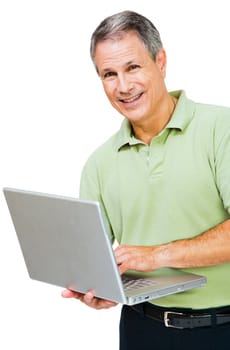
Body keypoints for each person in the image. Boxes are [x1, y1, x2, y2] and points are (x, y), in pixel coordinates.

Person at [62, 10, 230, 349]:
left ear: (161, 61)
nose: (123, 87)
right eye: (109, 74)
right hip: (141, 329)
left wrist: (155, 256)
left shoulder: (220, 129)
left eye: (133, 67)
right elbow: (92, 257)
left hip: (222, 328)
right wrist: (95, 289)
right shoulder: (99, 164)